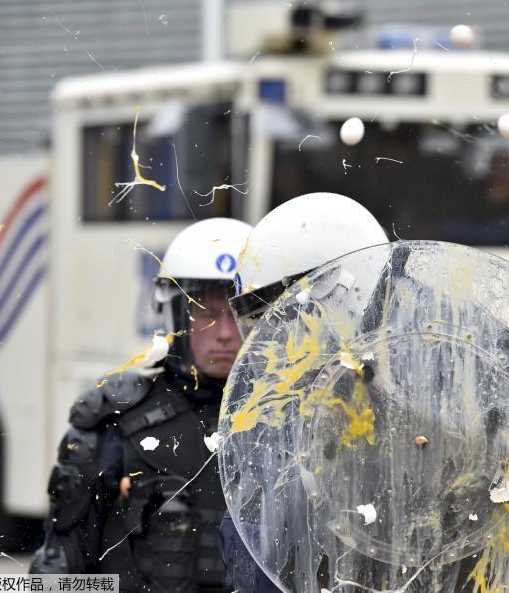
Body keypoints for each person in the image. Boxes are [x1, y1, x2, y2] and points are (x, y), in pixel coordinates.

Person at [30, 217, 252, 592]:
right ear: (175, 315)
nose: (227, 333)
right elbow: (59, 573)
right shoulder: (117, 419)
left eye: (239, 313)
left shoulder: (292, 419)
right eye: (207, 314)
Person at [218, 192, 389, 593]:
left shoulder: (433, 381)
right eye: (263, 321)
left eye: (289, 316)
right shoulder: (266, 421)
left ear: (346, 295)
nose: (275, 341)